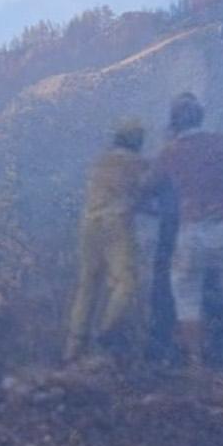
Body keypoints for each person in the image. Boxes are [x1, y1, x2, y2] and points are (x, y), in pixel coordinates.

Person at [146, 92, 223, 367]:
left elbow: (147, 186)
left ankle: (196, 366)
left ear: (174, 123)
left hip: (192, 234)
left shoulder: (170, 152)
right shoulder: (220, 142)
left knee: (187, 301)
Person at [65, 118, 152, 362]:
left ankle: (73, 348)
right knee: (126, 282)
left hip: (89, 224)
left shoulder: (100, 160)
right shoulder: (138, 162)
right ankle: (106, 332)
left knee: (88, 284)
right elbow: (144, 192)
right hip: (116, 224)